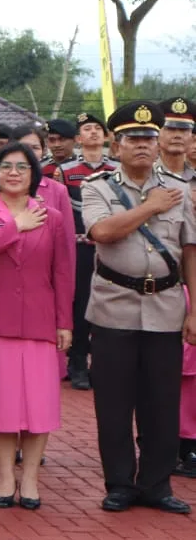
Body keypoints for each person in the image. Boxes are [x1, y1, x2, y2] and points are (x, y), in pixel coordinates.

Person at [82, 101, 196, 513]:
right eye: (134, 139)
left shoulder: (180, 189)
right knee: (114, 402)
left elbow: (190, 250)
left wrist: (193, 310)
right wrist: (150, 207)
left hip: (166, 305)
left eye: (150, 138)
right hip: (115, 306)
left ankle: (157, 484)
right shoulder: (97, 187)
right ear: (117, 145)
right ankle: (119, 484)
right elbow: (103, 231)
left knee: (161, 401)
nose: (144, 146)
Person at [0, 143, 72, 509]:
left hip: (40, 320)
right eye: (5, 166)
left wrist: (64, 321)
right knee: (4, 404)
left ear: (34, 175)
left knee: (39, 404)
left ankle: (31, 480)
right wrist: (14, 226)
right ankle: (6, 475)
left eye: (22, 167)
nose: (13, 173)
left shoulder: (52, 216)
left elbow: (62, 271)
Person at [60, 112, 119, 390]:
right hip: (80, 249)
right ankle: (78, 361)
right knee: (81, 304)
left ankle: (105, 364)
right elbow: (60, 212)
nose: (93, 133)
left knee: (112, 304)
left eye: (98, 128)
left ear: (107, 136)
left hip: (112, 246)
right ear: (78, 138)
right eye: (87, 129)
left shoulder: (117, 168)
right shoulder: (65, 170)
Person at [157, 98, 196, 479]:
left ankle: (189, 445)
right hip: (162, 288)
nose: (177, 136)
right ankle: (160, 443)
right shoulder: (138, 178)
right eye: (170, 128)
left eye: (185, 129)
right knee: (165, 372)